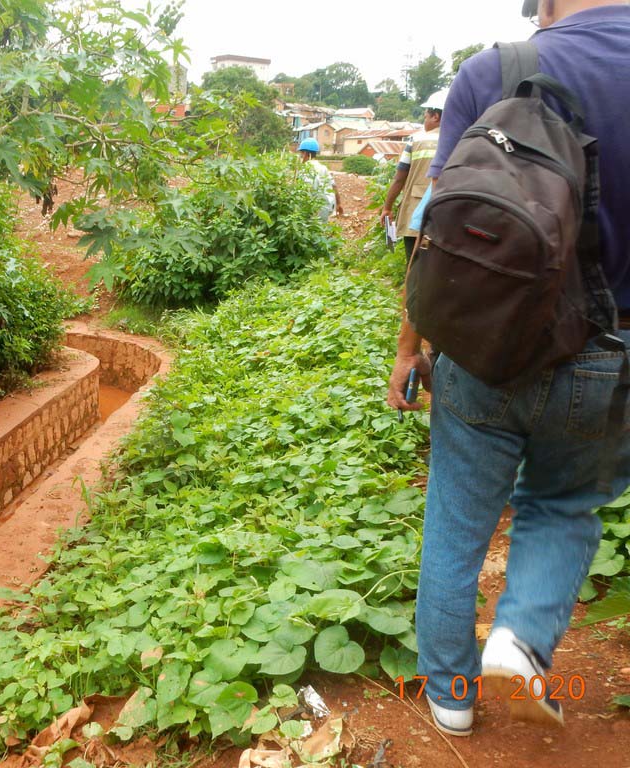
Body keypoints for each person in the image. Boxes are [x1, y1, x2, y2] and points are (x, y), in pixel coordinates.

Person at [385, 0, 630, 738]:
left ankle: (452, 697)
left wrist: (408, 347)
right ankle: (519, 638)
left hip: (480, 346)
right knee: (561, 507)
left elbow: (435, 229)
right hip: (611, 353)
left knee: (457, 522)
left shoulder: (494, 71)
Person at [380, 89, 447, 258]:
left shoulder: (416, 140)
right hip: (446, 212)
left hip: (415, 210)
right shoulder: (462, 140)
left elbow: (399, 178)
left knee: (414, 262)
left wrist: (387, 208)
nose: (424, 121)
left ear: (435, 116)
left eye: (425, 116)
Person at [297, 138, 343, 222]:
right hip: (326, 206)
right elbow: (334, 186)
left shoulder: (304, 170)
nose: (300, 157)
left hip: (312, 208)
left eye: (301, 154)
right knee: (320, 229)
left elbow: (303, 191)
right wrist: (339, 204)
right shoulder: (323, 167)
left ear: (305, 154)